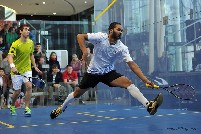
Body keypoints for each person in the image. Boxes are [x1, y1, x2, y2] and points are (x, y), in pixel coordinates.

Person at [50, 22, 163, 119]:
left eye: (122, 30)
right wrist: (84, 50)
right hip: (92, 73)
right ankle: (61, 108)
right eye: (118, 29)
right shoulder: (100, 37)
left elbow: (132, 64)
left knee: (129, 83)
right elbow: (80, 36)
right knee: (77, 93)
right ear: (110, 30)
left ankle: (148, 105)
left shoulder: (122, 48)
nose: (120, 32)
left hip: (108, 73)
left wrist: (145, 80)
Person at [7, 24, 41, 116]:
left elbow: (31, 55)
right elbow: (10, 56)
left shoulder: (30, 42)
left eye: (28, 29)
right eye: (25, 29)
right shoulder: (15, 44)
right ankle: (12, 105)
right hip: (16, 71)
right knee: (17, 92)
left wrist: (34, 66)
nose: (28, 31)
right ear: (21, 31)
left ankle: (26, 108)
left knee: (29, 86)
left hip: (27, 69)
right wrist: (12, 66)